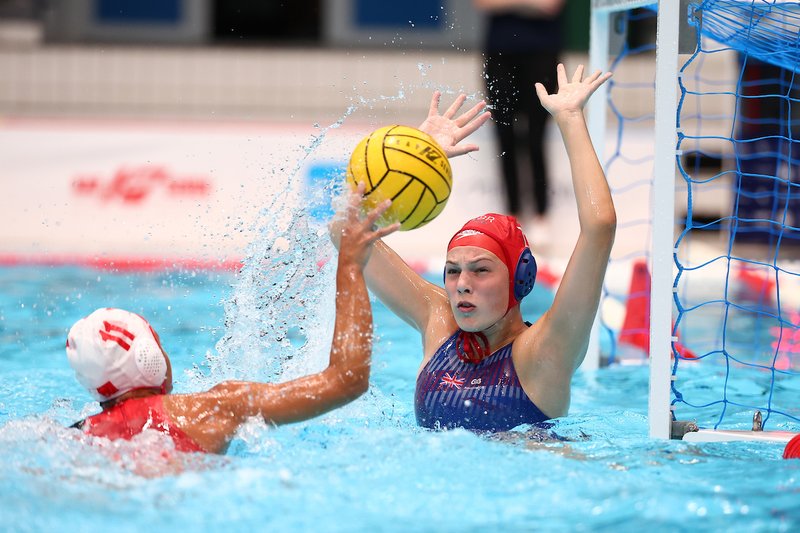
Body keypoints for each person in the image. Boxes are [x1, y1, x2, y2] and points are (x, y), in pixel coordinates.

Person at [337, 64, 614, 433]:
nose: (462, 284)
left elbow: (599, 227)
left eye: (481, 269)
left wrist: (570, 118)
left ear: (520, 277)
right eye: (453, 270)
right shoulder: (439, 322)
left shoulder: (545, 352)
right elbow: (344, 232)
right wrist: (417, 156)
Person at [65, 186, 400, 455]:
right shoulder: (211, 409)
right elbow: (347, 380)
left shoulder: (74, 438)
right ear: (148, 360)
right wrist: (351, 266)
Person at [474, 0, 566, 227]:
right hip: (500, 53)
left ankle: (541, 214)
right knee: (505, 135)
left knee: (536, 136)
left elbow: (550, 5)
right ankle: (512, 213)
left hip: (541, 52)